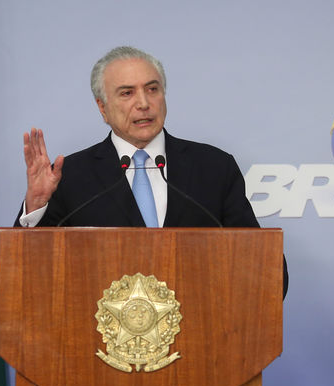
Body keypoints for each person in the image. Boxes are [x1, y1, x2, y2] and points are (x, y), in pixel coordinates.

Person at [15, 46, 288, 296]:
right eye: (127, 93)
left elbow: (266, 271)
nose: (144, 103)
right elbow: (26, 275)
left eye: (152, 89)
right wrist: (37, 204)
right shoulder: (70, 176)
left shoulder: (214, 167)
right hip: (98, 343)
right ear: (102, 107)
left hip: (200, 338)